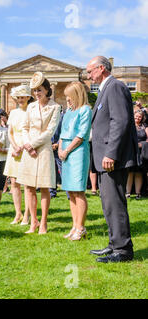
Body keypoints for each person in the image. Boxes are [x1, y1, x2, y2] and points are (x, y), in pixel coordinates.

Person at [87, 56, 138, 263]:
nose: (88, 75)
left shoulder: (115, 87)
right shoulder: (105, 89)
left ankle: (123, 250)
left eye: (90, 71)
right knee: (108, 202)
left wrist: (111, 153)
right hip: (104, 157)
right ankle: (114, 243)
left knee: (115, 202)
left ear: (101, 68)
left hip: (111, 158)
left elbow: (121, 121)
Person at [16, 72, 61, 235]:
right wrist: (27, 145)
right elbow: (24, 127)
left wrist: (32, 145)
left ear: (47, 89)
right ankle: (33, 221)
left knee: (43, 187)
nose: (36, 93)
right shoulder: (31, 107)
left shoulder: (55, 107)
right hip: (29, 149)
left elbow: (50, 131)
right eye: (34, 91)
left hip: (43, 150)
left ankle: (43, 222)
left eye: (39, 90)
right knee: (28, 187)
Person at [58, 82, 92, 241]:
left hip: (77, 152)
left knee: (78, 191)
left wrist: (66, 150)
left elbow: (81, 134)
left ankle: (81, 227)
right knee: (70, 191)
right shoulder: (68, 112)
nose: (67, 100)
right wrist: (59, 148)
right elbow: (62, 132)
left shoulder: (85, 110)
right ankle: (74, 226)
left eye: (69, 97)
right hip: (65, 152)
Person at [3, 85, 32, 225]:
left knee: (26, 183)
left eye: (23, 97)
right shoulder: (13, 112)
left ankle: (27, 214)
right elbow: (10, 132)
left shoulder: (32, 110)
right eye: (18, 97)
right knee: (14, 182)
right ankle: (18, 213)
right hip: (14, 149)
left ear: (28, 97)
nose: (20, 100)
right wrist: (14, 146)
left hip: (27, 147)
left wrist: (23, 146)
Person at [126, 110, 148, 199]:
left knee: (139, 172)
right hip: (131, 151)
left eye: (139, 117)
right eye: (136, 116)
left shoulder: (145, 126)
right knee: (130, 172)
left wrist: (142, 144)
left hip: (142, 152)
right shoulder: (129, 125)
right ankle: (128, 192)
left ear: (142, 118)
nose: (137, 118)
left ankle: (138, 193)